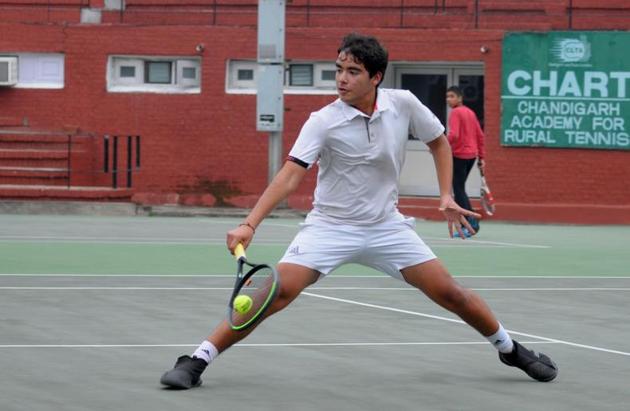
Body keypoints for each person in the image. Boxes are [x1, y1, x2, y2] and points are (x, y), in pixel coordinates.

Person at [160, 33, 557, 389]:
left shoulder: (403, 104)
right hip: (329, 228)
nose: (342, 79)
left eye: (353, 71)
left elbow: (438, 141)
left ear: (376, 77)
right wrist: (250, 224)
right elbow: (290, 176)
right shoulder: (323, 121)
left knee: (451, 293)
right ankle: (196, 359)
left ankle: (509, 349)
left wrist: (445, 195)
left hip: (386, 228)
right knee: (274, 293)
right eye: (339, 70)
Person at [445, 85, 485, 238]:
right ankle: (468, 222)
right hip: (471, 156)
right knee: (460, 188)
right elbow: (480, 136)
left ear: (460, 98)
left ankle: (471, 221)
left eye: (452, 96)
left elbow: (454, 135)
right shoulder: (470, 113)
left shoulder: (456, 112)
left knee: (458, 189)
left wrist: (441, 146)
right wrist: (481, 158)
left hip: (460, 155)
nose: (449, 99)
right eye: (447, 97)